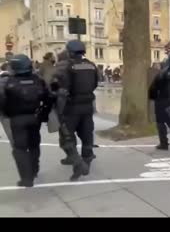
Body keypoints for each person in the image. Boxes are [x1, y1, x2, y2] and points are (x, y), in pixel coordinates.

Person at [0, 54, 51, 187]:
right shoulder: (38, 80)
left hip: (17, 119)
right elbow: (48, 98)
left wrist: (6, 113)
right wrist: (43, 115)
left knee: (20, 148)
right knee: (34, 144)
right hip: (35, 117)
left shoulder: (6, 82)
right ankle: (34, 170)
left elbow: (1, 100)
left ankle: (26, 178)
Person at [51, 40, 99, 181]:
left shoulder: (66, 66)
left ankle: (77, 163)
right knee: (87, 135)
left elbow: (60, 87)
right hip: (88, 106)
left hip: (71, 107)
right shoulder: (91, 65)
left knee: (66, 137)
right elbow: (95, 84)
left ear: (69, 51)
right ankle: (86, 161)